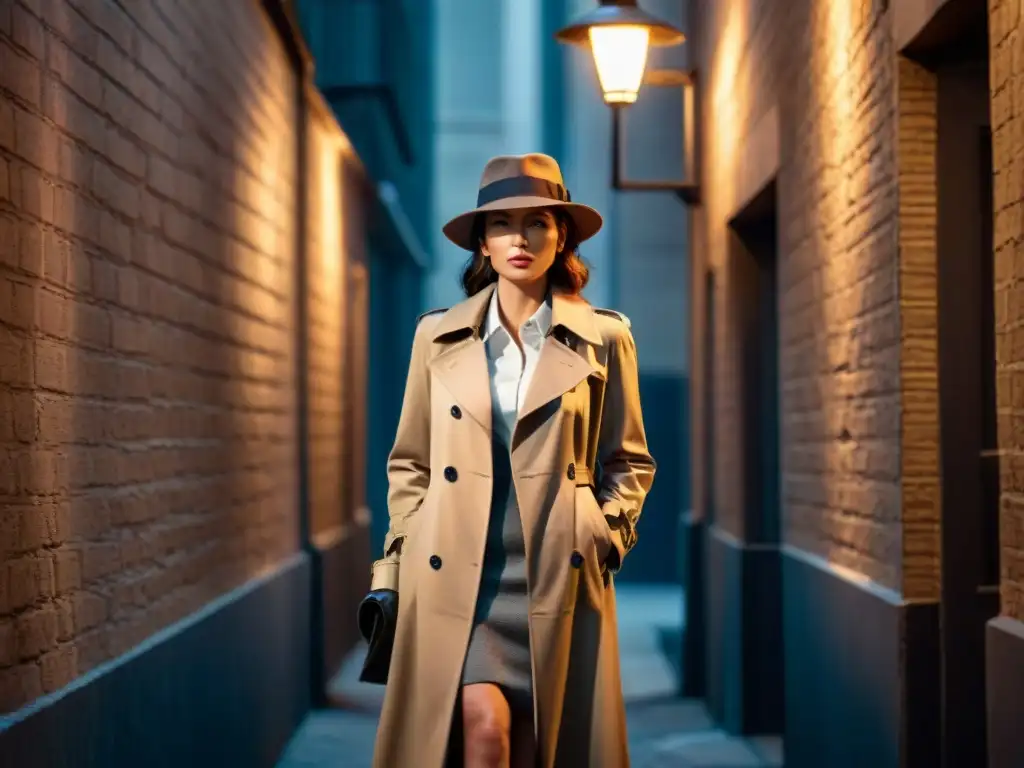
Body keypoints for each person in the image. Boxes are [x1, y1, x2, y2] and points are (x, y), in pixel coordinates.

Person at [369, 153, 656, 768]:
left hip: (559, 569)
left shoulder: (605, 336)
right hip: (458, 576)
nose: (519, 239)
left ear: (562, 236)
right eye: (501, 225)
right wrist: (403, 550)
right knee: (483, 729)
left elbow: (628, 458)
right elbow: (410, 461)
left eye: (537, 222)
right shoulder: (436, 335)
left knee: (537, 745)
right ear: (482, 243)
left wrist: (606, 533)